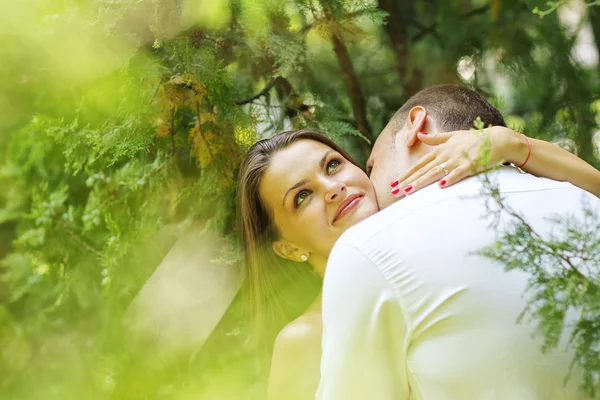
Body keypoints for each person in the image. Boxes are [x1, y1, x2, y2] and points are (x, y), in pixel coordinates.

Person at [235, 85, 600, 400]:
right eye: (301, 197)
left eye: (332, 165)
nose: (332, 189)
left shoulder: (425, 251)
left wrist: (508, 143)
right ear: (286, 248)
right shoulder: (301, 339)